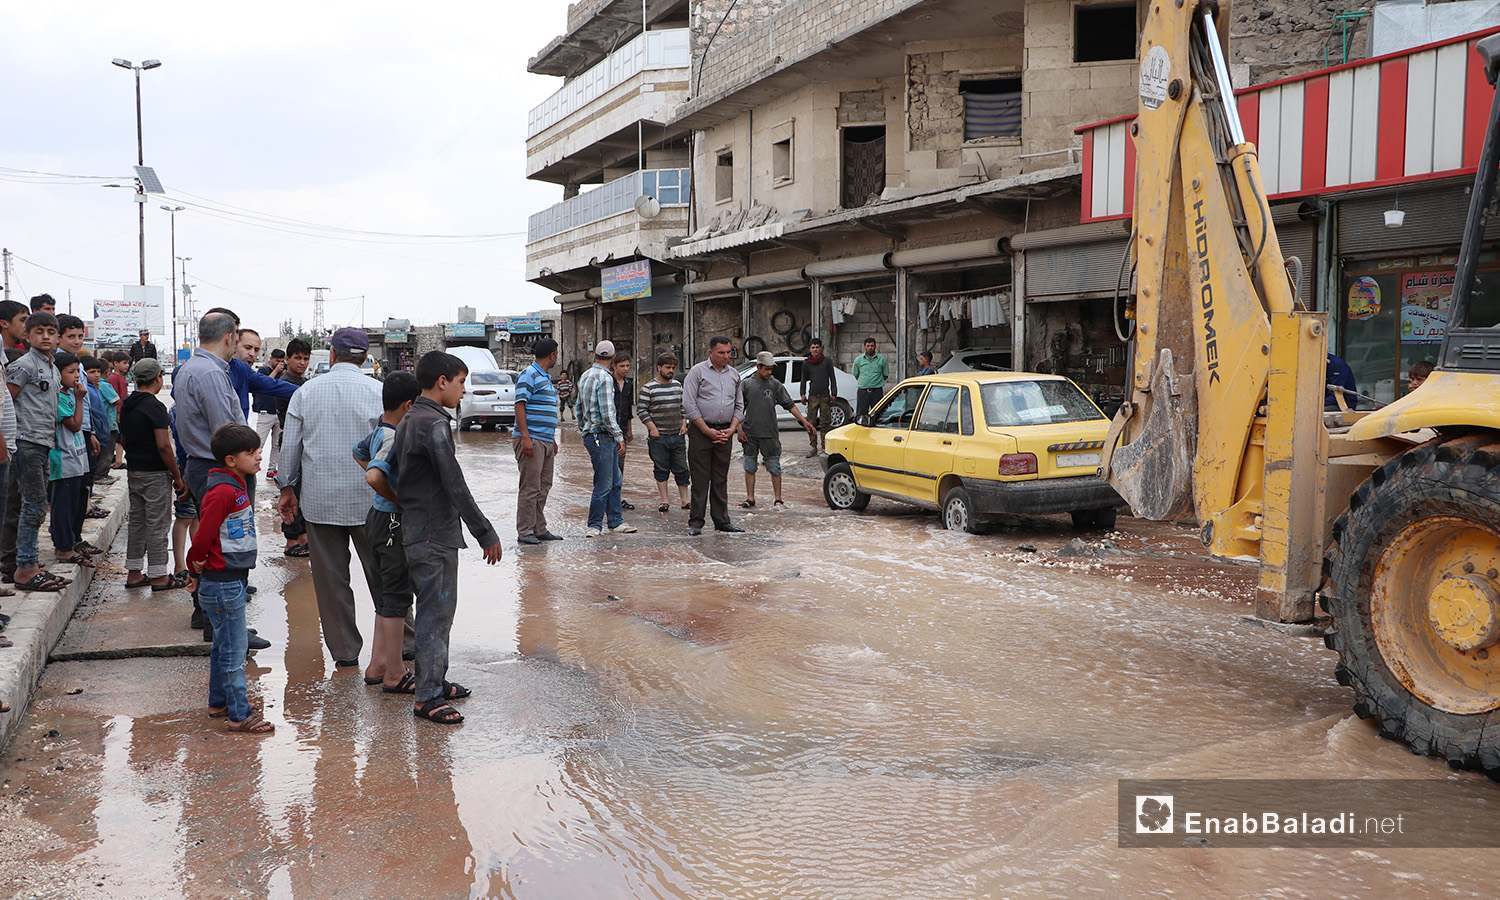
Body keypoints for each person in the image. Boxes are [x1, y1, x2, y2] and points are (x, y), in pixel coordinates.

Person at [391, 351, 502, 724]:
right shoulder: (434, 424)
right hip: (432, 535)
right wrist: (485, 531)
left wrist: (408, 501)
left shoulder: (410, 418)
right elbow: (454, 483)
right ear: (442, 381)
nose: (463, 389)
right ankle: (426, 697)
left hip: (416, 530)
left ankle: (434, 680)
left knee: (435, 611)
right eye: (461, 382)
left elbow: (382, 469)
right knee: (436, 615)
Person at [278, 327, 393, 670]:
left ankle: (345, 653)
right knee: (386, 575)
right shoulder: (380, 392)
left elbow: (290, 448)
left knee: (331, 582)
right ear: (365, 357)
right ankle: (404, 645)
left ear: (331, 355)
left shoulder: (306, 392)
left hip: (319, 501)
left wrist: (287, 489)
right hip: (372, 501)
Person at [185, 423, 274, 735]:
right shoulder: (223, 492)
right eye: (250, 453)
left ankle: (218, 702)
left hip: (227, 579)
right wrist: (192, 568)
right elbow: (203, 537)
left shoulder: (233, 486)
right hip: (222, 582)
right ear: (231, 460)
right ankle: (239, 713)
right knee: (235, 650)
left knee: (223, 645)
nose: (258, 456)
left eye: (257, 450)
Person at [353, 372, 420, 691]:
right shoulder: (395, 437)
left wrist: (380, 484)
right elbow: (374, 477)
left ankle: (378, 663)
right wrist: (398, 498)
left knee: (385, 597)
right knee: (396, 598)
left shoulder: (380, 429)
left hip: (376, 519)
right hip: (393, 520)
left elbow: (358, 452)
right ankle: (395, 672)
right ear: (409, 405)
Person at [7, 313, 66, 592]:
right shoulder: (24, 365)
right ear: (27, 337)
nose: (45, 336)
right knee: (34, 506)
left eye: (50, 331)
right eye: (38, 331)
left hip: (43, 443)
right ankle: (26, 568)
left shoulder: (52, 368)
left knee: (36, 506)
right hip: (26, 442)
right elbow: (6, 400)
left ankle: (29, 563)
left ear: (57, 338)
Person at [120, 357, 188, 591]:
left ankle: (134, 572)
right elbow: (164, 446)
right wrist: (177, 477)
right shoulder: (155, 407)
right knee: (158, 524)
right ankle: (159, 575)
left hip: (135, 471)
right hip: (155, 473)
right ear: (158, 377)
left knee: (137, 522)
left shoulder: (128, 405)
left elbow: (124, 439)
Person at [681, 336, 745, 536]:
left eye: (729, 352)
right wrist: (706, 430)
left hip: (725, 431)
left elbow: (740, 405)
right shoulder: (697, 372)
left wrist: (733, 427)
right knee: (700, 479)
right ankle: (696, 522)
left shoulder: (734, 375)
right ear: (710, 353)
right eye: (721, 353)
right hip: (701, 432)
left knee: (720, 478)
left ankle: (722, 521)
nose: (726, 356)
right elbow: (689, 404)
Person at [739, 351, 817, 510]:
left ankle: (778, 499)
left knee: (774, 467)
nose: (769, 372)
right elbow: (737, 409)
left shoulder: (775, 385)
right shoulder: (746, 385)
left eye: (771, 369)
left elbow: (789, 405)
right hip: (750, 433)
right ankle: (750, 498)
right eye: (766, 369)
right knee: (749, 466)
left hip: (770, 433)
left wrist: (804, 421)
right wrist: (739, 430)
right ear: (758, 367)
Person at [577, 341, 634, 537]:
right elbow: (608, 412)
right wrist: (619, 436)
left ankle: (616, 521)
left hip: (594, 435)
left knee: (616, 480)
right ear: (612, 358)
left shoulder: (585, 376)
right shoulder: (606, 378)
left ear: (595, 356)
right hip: (602, 436)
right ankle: (594, 525)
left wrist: (583, 428)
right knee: (604, 483)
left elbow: (578, 407)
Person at [513, 338, 563, 545]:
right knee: (530, 487)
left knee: (544, 486)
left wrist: (551, 439)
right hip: (531, 439)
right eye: (556, 354)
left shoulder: (545, 377)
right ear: (552, 355)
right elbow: (520, 405)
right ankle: (524, 531)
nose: (556, 357)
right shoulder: (529, 374)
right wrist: (526, 437)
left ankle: (539, 528)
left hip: (545, 440)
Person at [48, 352, 92, 568]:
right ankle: (63, 547)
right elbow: (75, 424)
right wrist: (79, 399)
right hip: (63, 460)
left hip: (76, 458)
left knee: (75, 503)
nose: (76, 376)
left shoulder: (68, 394)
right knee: (63, 505)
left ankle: (70, 541)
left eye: (77, 371)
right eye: (71, 372)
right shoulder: (59, 397)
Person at [638, 351, 691, 514]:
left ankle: (685, 500)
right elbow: (642, 410)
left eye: (673, 368)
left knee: (682, 468)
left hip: (677, 435)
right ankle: (665, 501)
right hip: (658, 437)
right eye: (668, 367)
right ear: (659, 368)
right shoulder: (648, 388)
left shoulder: (677, 386)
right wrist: (652, 428)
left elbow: (683, 407)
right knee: (661, 469)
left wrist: (684, 424)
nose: (671, 371)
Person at [275, 340, 312, 557]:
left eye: (306, 358)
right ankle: (291, 540)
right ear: (287, 359)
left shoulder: (305, 383)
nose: (302, 362)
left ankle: (303, 536)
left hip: (305, 443)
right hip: (290, 442)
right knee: (291, 490)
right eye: (297, 358)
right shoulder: (284, 383)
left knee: (304, 491)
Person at [800, 338, 837, 457]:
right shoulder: (806, 363)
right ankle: (813, 447)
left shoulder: (826, 361)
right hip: (813, 397)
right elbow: (803, 379)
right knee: (811, 422)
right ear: (810, 349)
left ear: (821, 348)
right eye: (813, 347)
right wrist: (802, 393)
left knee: (825, 422)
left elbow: (832, 377)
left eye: (817, 347)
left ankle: (824, 447)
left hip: (825, 396)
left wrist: (834, 393)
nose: (815, 350)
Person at [253, 348, 286, 477]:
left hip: (278, 413)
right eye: (277, 360)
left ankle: (272, 469)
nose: (279, 363)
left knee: (276, 445)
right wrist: (276, 371)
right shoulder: (263, 371)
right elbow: (264, 385)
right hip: (265, 413)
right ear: (271, 359)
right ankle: (251, 467)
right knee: (258, 443)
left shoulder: (283, 372)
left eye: (281, 361)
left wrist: (282, 372)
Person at [611, 351, 635, 511]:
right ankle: (608, 499)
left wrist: (629, 430)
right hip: (607, 431)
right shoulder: (608, 382)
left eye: (627, 365)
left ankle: (617, 498)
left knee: (620, 466)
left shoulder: (628, 384)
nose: (625, 369)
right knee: (607, 467)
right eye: (622, 366)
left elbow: (628, 409)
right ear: (614, 366)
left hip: (623, 430)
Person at [851, 338, 889, 418]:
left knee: (877, 414)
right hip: (863, 392)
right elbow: (856, 375)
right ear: (864, 347)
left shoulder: (882, 360)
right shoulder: (858, 360)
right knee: (861, 415)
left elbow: (885, 375)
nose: (870, 348)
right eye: (868, 346)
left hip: (877, 392)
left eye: (872, 345)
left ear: (875, 346)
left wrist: (875, 382)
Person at [106, 352, 129, 468]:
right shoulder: (113, 378)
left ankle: (119, 460)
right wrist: (118, 413)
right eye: (124, 363)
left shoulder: (121, 377)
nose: (127, 366)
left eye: (128, 363)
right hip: (116, 412)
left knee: (120, 436)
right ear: (116, 363)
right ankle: (117, 461)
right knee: (118, 438)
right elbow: (115, 397)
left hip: (123, 411)